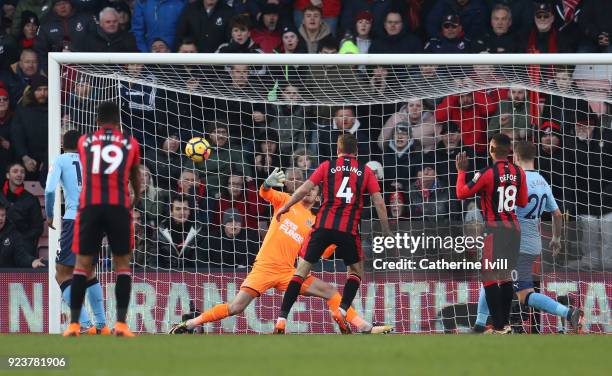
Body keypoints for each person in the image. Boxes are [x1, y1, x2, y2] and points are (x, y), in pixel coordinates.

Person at [169, 168, 392, 335]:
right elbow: (265, 193)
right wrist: (266, 183)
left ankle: (364, 326)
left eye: (314, 191)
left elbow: (325, 253)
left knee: (330, 291)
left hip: (289, 272)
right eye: (308, 188)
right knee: (236, 306)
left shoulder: (317, 224)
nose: (309, 193)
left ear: (317, 197)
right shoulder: (285, 201)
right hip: (265, 267)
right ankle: (189, 324)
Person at [273, 134, 392, 334]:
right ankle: (342, 310)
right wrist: (386, 230)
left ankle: (281, 321)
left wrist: (287, 205)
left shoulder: (327, 166)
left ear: (338, 150)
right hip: (348, 230)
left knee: (300, 272)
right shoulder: (366, 171)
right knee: (355, 272)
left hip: (323, 227)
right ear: (356, 152)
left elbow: (304, 189)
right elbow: (378, 201)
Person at [473, 140, 584, 334]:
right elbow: (557, 214)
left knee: (492, 276)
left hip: (514, 241)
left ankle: (481, 325)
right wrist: (556, 239)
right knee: (523, 292)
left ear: (514, 157)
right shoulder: (542, 180)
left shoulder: (516, 178)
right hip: (533, 243)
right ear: (534, 158)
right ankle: (569, 313)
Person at [62, 101, 141, 337]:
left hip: (90, 208)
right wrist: (134, 199)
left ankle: (75, 325)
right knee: (122, 266)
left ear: (96, 121)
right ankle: (120, 325)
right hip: (118, 206)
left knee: (82, 265)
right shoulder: (130, 142)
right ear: (118, 123)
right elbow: (135, 176)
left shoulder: (84, 142)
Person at [455, 133, 528, 334]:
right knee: (505, 277)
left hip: (494, 231)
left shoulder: (487, 173)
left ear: (491, 149)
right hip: (514, 231)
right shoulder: (519, 172)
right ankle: (504, 325)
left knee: (488, 277)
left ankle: (498, 325)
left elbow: (461, 193)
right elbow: (522, 202)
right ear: (510, 150)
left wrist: (461, 171)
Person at [45, 130, 109, 335]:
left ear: (63, 144)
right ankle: (101, 325)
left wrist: (49, 215)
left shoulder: (61, 159)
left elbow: (48, 190)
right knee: (88, 271)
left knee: (62, 274)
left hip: (75, 219)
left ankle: (84, 324)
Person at [0, 162, 43, 257]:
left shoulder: (32, 199)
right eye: (15, 171)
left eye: (22, 172)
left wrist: (20, 238)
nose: (19, 174)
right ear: (8, 175)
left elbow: (38, 228)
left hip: (23, 244)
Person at [0, 202, 45, 268]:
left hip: (6, 276)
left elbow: (21, 256)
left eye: (3, 215)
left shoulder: (13, 234)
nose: (0, 218)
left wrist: (32, 262)